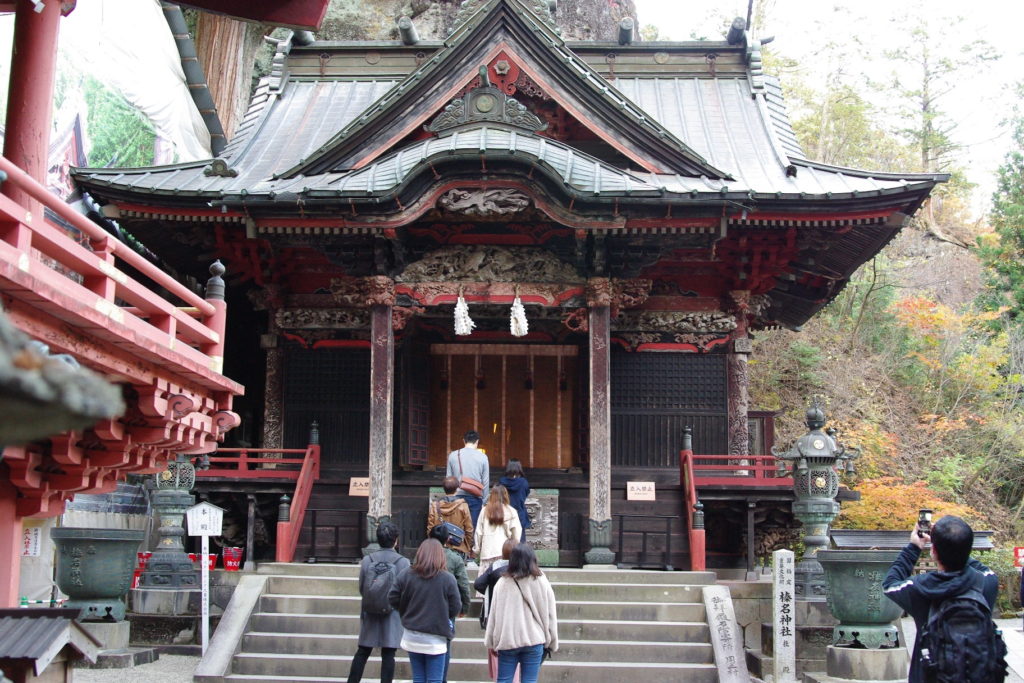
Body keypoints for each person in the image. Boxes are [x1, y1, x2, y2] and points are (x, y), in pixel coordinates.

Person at [882, 515, 999, 683]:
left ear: (933, 551)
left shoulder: (919, 588)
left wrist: (914, 546)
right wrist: (954, 543)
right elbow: (978, 566)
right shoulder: (986, 582)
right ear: (969, 548)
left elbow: (890, 584)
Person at [389, 539, 462, 683]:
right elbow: (456, 606)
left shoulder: (406, 574)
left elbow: (392, 597)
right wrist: (443, 614)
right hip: (436, 637)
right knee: (435, 680)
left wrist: (405, 611)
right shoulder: (447, 579)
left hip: (412, 635)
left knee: (418, 678)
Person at [484, 543, 558, 683]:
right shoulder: (541, 581)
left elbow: (494, 614)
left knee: (504, 680)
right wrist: (552, 640)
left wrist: (492, 641)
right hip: (534, 639)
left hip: (508, 640)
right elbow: (550, 614)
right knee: (529, 681)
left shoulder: (502, 583)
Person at [347, 521, 409, 683]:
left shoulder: (368, 560)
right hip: (393, 613)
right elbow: (405, 592)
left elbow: (362, 587)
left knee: (362, 651)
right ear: (396, 540)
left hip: (370, 610)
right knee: (389, 654)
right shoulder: (403, 562)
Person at [428, 524, 470, 683]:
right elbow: (463, 585)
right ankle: (441, 678)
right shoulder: (454, 558)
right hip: (445, 608)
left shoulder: (421, 556)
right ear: (448, 539)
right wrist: (464, 607)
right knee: (444, 645)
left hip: (422, 607)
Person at [474, 538, 519, 683]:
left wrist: (490, 591)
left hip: (496, 615)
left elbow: (478, 583)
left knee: (497, 653)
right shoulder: (524, 568)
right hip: (517, 618)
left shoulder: (495, 567)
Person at [473, 484, 522, 574]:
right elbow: (516, 534)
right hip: (504, 552)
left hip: (487, 551)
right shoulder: (511, 511)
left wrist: (476, 549)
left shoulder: (484, 511)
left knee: (485, 582)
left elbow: (478, 532)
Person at [446, 430, 490, 529]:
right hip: (475, 497)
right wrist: (483, 501)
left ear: (463, 441)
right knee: (472, 528)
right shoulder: (483, 457)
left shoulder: (453, 455)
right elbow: (485, 481)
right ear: (477, 441)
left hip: (456, 497)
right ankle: (471, 545)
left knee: (455, 527)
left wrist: (449, 498)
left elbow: (448, 478)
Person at [427, 476, 475, 560]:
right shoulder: (463, 506)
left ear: (444, 488)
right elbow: (469, 529)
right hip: (458, 548)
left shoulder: (435, 506)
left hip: (439, 548)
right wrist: (467, 547)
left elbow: (430, 529)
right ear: (457, 488)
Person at [498, 459, 531, 542]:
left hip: (504, 514)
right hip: (519, 514)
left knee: (503, 540)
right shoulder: (524, 483)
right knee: (520, 540)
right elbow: (526, 494)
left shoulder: (501, 482)